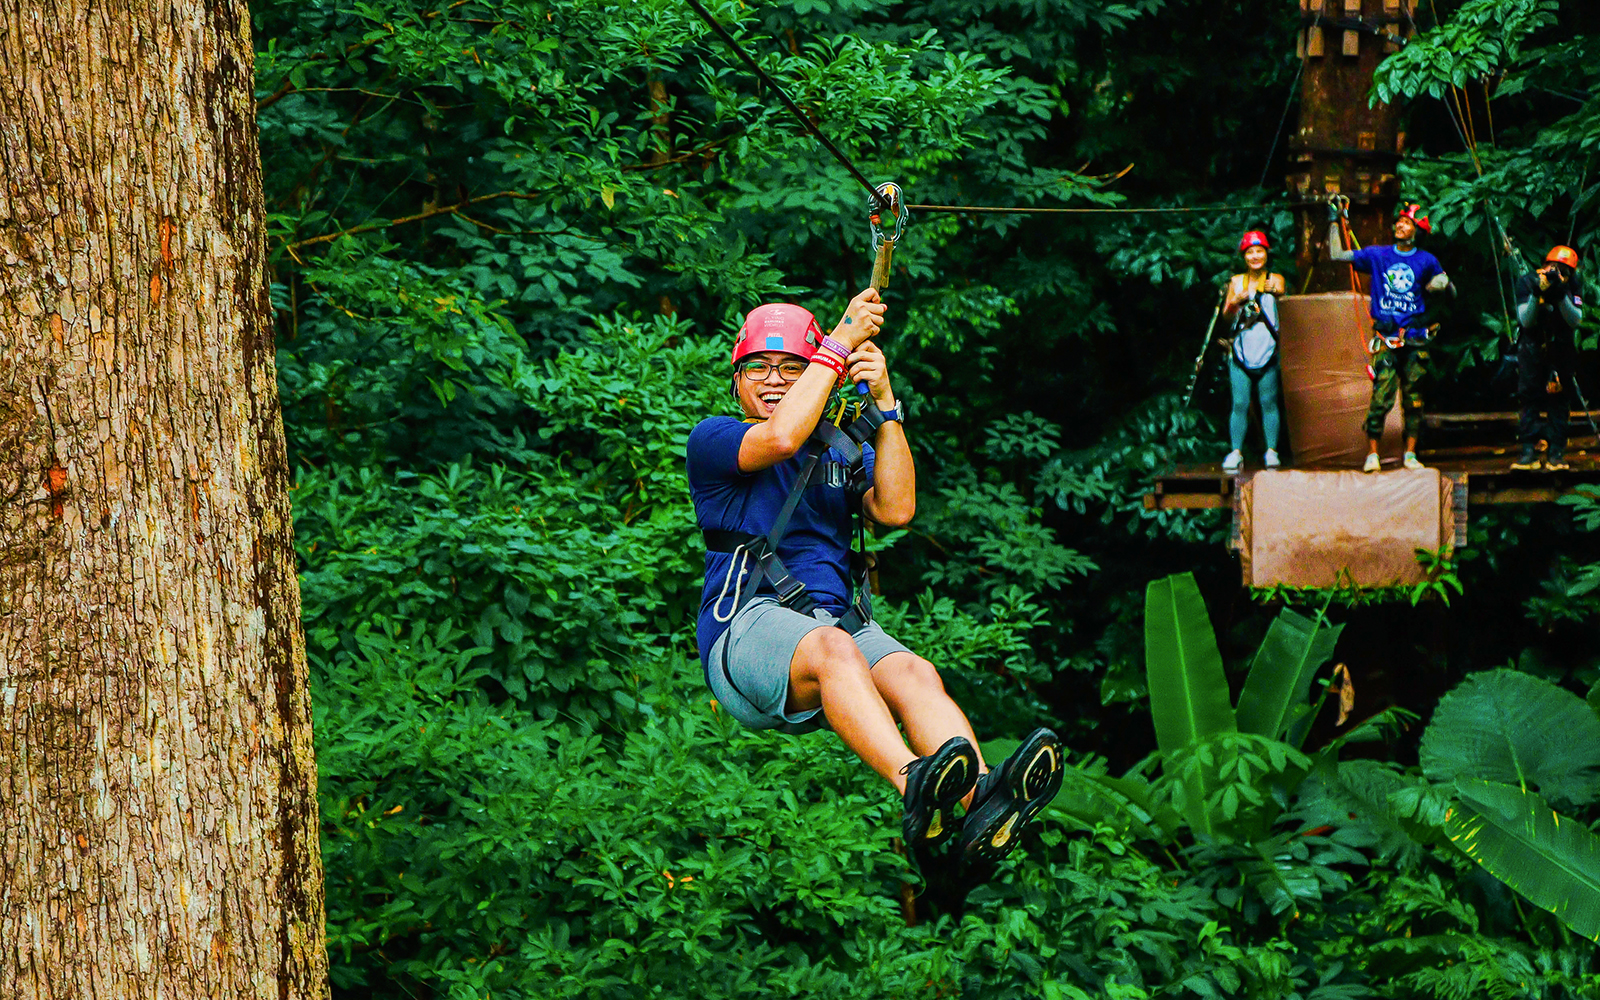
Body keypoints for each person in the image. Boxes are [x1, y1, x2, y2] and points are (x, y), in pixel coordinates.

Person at [685, 289, 1064, 879]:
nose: (773, 379)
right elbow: (782, 437)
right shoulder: (716, 442)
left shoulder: (838, 451)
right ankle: (913, 782)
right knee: (833, 648)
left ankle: (979, 807)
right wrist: (835, 345)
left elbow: (896, 507)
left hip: (832, 629)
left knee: (914, 672)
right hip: (746, 629)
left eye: (791, 366)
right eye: (757, 367)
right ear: (736, 382)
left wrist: (886, 406)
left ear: (819, 375)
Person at [1328, 201, 1452, 473]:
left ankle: (1409, 455)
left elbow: (1446, 286)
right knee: (1381, 396)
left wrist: (1439, 283)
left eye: (1406, 223)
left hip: (1415, 338)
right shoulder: (1378, 255)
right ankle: (1372, 455)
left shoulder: (1427, 260)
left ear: (1417, 231)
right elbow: (1337, 254)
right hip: (1386, 338)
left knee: (1414, 398)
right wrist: (1333, 222)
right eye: (1399, 221)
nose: (1399, 225)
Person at [1510, 246, 1586, 470]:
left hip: (1561, 347)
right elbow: (1526, 320)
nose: (1556, 273)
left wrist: (1561, 295)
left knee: (1560, 399)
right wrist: (1536, 293)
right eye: (1553, 267)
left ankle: (1556, 452)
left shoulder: (1572, 285)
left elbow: (1575, 320)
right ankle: (1528, 451)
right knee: (1528, 395)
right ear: (1544, 265)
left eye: (1563, 270)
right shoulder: (1527, 281)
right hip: (1532, 345)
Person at [1219, 230, 1286, 473]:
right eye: (1250, 252)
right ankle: (1236, 451)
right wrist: (1235, 300)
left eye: (1259, 251)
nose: (1255, 256)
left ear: (1266, 254)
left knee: (1269, 401)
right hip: (1241, 351)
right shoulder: (1237, 282)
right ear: (1244, 256)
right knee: (1239, 402)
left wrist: (1277, 292)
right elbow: (1226, 317)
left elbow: (1284, 304)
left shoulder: (1275, 279)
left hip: (1267, 350)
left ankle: (1271, 450)